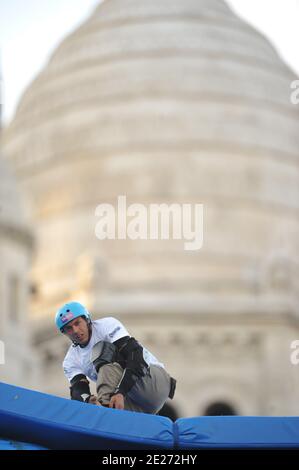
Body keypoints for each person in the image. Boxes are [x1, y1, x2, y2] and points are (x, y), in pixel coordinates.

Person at [55, 301, 176, 414]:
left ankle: (105, 411)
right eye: (69, 328)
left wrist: (120, 392)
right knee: (86, 405)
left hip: (154, 383)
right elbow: (78, 391)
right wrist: (88, 400)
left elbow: (136, 356)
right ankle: (108, 416)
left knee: (102, 352)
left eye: (77, 323)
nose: (75, 330)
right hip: (136, 402)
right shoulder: (70, 361)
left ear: (87, 320)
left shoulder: (106, 325)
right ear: (65, 333)